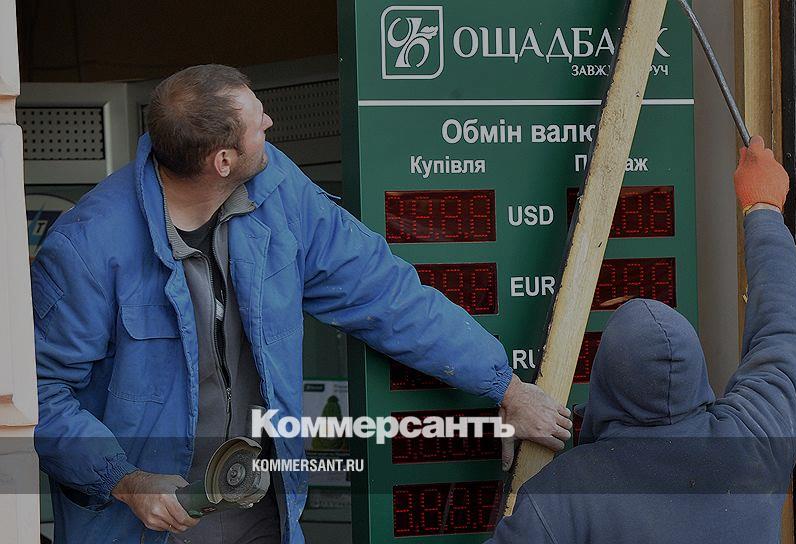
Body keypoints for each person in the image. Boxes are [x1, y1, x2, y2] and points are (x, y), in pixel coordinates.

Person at [31, 64, 571, 544]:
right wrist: (125, 481)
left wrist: (504, 385)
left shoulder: (276, 190)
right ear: (223, 160)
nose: (269, 123)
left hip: (256, 505)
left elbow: (383, 291)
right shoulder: (87, 249)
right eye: (257, 123)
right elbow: (42, 394)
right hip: (141, 522)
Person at [488, 135, 796, 543]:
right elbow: (786, 335)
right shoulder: (755, 442)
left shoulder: (562, 498)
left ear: (605, 380)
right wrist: (763, 209)